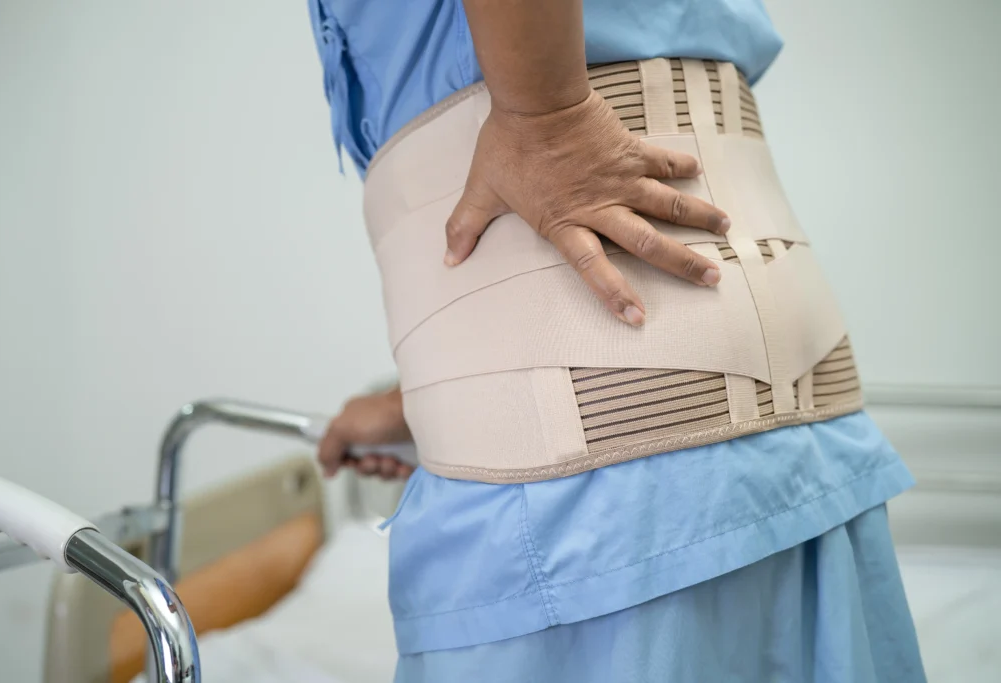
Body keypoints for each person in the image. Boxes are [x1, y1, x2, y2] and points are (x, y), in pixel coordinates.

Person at [311, 1, 926, 681]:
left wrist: (544, 117)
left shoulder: (540, 108)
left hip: (603, 498)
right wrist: (451, 392)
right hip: (777, 440)